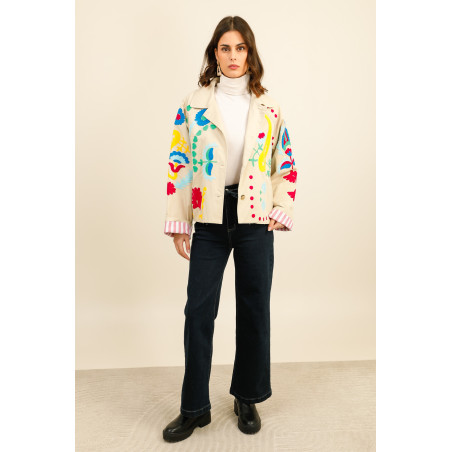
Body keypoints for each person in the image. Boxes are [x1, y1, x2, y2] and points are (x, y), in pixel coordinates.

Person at [162, 15, 298, 443]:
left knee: (254, 308)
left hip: (254, 213)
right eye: (225, 48)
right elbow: (179, 164)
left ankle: (247, 396)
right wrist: (180, 222)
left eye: (240, 48)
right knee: (198, 311)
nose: (233, 56)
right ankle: (194, 407)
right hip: (209, 214)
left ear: (250, 54)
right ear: (215, 53)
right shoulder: (194, 104)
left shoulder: (270, 107)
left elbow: (284, 161)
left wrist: (281, 207)